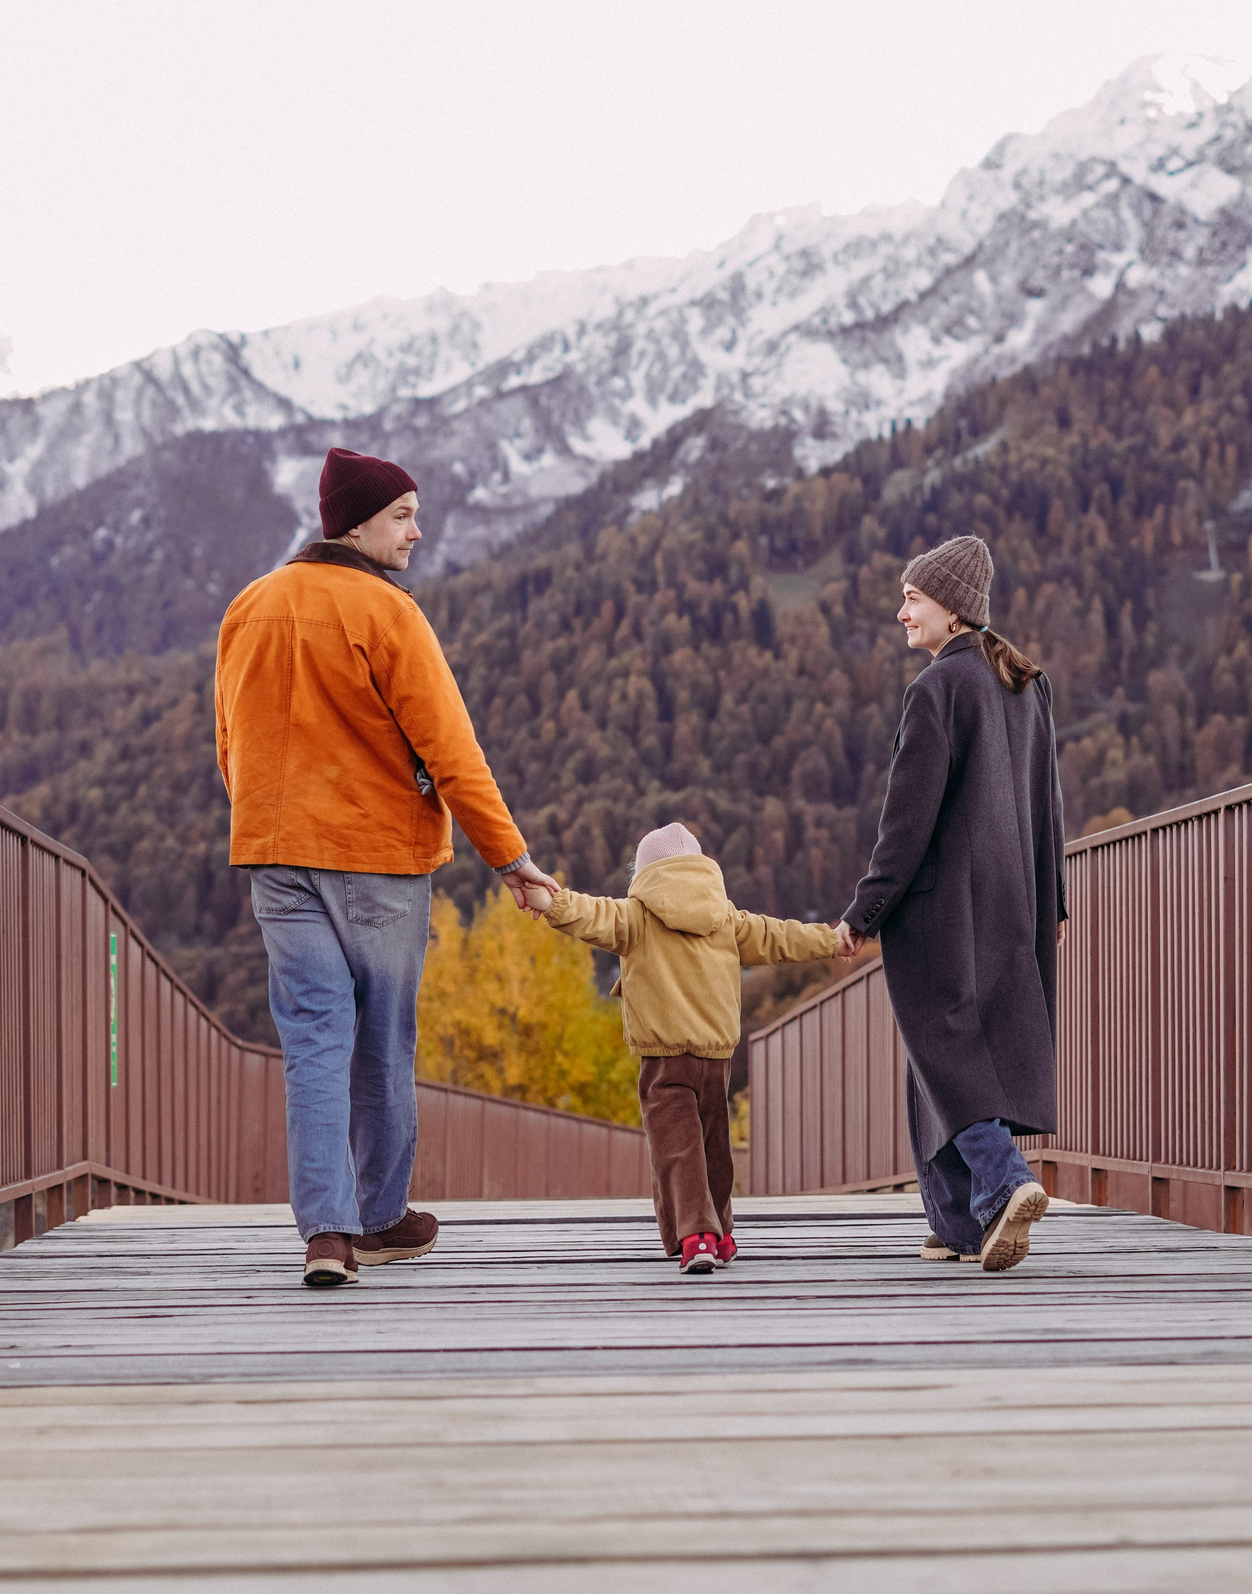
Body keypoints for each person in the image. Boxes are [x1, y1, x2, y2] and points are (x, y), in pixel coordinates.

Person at [215, 447, 559, 1289]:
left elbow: (231, 742)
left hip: (275, 856)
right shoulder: (387, 613)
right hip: (377, 859)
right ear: (355, 523)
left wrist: (267, 818)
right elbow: (452, 751)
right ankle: (381, 1217)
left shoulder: (249, 606)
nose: (417, 529)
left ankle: (325, 1235)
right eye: (402, 514)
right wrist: (509, 856)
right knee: (381, 1037)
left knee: (314, 1040)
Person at [835, 534, 1066, 1272]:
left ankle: (1004, 1182)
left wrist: (862, 914)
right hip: (1011, 903)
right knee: (942, 1057)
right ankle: (958, 1224)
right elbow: (1048, 806)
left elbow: (905, 827)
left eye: (913, 597)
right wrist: (1053, 901)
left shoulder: (936, 689)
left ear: (954, 611)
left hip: (942, 911)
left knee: (946, 1049)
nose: (902, 610)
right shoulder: (1025, 683)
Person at [521, 822, 841, 1273]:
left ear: (646, 874)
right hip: (717, 1057)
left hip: (664, 1056)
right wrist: (833, 939)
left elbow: (591, 915)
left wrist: (549, 900)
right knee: (714, 1146)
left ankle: (697, 1237)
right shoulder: (727, 919)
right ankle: (723, 1232)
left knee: (678, 1149)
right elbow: (779, 937)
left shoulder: (637, 916)